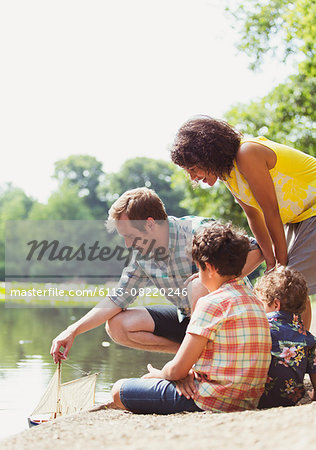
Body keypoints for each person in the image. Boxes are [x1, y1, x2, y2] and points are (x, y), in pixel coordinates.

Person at [50, 187, 263, 363]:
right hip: (191, 322)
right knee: (117, 325)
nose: (127, 244)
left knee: (198, 284)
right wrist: (72, 330)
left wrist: (212, 280)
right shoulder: (142, 256)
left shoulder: (198, 230)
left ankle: (194, 362)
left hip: (231, 320)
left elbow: (259, 249)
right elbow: (116, 299)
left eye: (130, 235)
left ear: (150, 224)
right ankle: (192, 357)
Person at [170, 115, 316, 329]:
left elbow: (270, 211)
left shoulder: (247, 153)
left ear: (208, 154)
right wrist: (270, 261)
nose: (193, 177)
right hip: (299, 218)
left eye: (193, 169)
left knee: (289, 281)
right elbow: (254, 216)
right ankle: (297, 349)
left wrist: (281, 264)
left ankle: (295, 352)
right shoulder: (229, 175)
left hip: (310, 211)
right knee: (287, 280)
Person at [110, 222, 271, 414]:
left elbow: (176, 371)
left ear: (209, 267)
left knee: (118, 390)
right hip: (249, 399)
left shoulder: (210, 303)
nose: (197, 276)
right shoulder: (256, 302)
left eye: (198, 269)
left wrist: (160, 375)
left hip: (211, 399)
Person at [254, 266, 316, 408]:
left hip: (258, 397)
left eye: (262, 303)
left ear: (276, 304)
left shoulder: (261, 329)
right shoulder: (308, 338)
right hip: (291, 399)